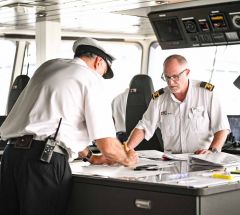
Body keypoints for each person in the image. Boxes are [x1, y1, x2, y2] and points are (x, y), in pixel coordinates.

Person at [0, 37, 137, 215]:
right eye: (104, 71)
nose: (102, 76)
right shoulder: (90, 78)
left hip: (12, 157)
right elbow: (108, 145)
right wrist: (127, 159)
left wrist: (91, 157)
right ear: (98, 61)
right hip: (43, 162)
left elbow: (58, 125)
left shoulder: (48, 67)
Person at [126, 54, 230, 154]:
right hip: (171, 161)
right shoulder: (159, 98)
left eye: (175, 76)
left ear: (187, 72)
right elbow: (144, 127)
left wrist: (212, 151)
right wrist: (126, 149)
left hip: (201, 159)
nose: (171, 82)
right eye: (167, 77)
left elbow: (222, 128)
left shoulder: (206, 93)